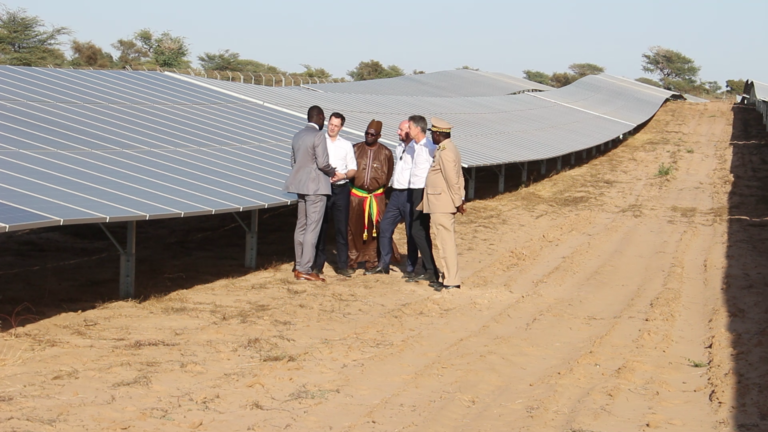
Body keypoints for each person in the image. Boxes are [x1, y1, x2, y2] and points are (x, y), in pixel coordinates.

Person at [376, 116, 440, 283]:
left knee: (415, 231)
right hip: (400, 192)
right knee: (387, 226)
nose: (399, 132)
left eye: (405, 128)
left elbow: (441, 163)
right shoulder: (404, 147)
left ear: (415, 129)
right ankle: (384, 263)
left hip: (415, 193)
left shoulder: (427, 147)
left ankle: (417, 268)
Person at [284, 105, 342, 282]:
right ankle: (306, 269)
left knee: (301, 225)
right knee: (312, 227)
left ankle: (298, 265)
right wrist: (333, 173)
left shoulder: (297, 135)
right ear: (320, 117)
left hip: (299, 186)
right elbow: (323, 163)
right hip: (316, 187)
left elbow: (293, 162)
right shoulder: (318, 136)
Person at [421, 117, 466, 291]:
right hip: (444, 202)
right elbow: (459, 176)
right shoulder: (449, 149)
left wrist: (457, 202)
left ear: (439, 134)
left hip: (442, 203)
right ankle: (448, 277)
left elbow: (452, 179)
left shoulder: (445, 152)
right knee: (445, 241)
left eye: (433, 133)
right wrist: (460, 198)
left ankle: (451, 280)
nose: (432, 136)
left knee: (445, 242)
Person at [312, 112, 357, 277]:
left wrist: (343, 175)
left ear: (341, 127)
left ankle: (342, 265)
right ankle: (318, 264)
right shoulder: (319, 140)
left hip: (341, 189)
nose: (332, 127)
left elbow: (353, 169)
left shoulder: (346, 145)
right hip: (323, 188)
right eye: (331, 124)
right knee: (321, 227)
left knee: (341, 227)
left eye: (336, 125)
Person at [348, 120, 394, 273]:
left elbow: (388, 176)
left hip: (376, 198)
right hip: (356, 196)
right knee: (353, 229)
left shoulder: (386, 153)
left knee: (375, 229)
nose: (368, 136)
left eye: (372, 134)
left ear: (379, 136)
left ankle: (372, 262)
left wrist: (377, 191)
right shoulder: (355, 149)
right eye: (367, 133)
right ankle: (352, 261)